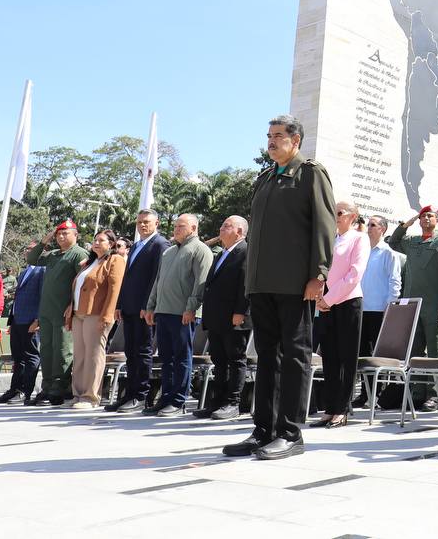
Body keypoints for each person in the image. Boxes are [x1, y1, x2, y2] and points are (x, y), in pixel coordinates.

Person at [224, 114, 335, 461]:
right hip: (262, 283)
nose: (271, 141)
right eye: (269, 136)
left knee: (294, 356)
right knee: (267, 357)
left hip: (293, 283)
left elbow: (323, 225)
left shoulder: (310, 173)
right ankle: (263, 430)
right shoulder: (266, 177)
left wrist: (319, 274)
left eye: (278, 136)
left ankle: (290, 431)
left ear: (296, 140)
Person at [389, 205, 438, 411]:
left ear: (436, 219)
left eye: (430, 216)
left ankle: (435, 395)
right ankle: (417, 392)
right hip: (413, 305)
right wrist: (405, 225)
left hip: (434, 304)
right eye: (422, 216)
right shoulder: (412, 241)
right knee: (415, 349)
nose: (426, 219)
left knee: (435, 350)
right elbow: (393, 242)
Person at [142, 214, 212, 416]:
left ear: (193, 227)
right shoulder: (169, 252)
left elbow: (201, 283)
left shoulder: (201, 251)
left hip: (183, 314)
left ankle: (179, 399)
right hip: (163, 311)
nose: (176, 229)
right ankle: (165, 399)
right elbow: (158, 281)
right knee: (166, 358)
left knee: (181, 357)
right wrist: (151, 306)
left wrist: (191, 308)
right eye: (175, 226)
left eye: (181, 226)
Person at [311, 201, 367, 428]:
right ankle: (330, 407)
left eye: (340, 213)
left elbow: (355, 274)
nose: (335, 216)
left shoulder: (359, 238)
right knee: (330, 357)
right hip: (326, 303)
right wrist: (319, 298)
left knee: (346, 357)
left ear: (352, 216)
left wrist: (329, 298)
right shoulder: (330, 238)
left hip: (348, 301)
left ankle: (342, 409)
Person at [107, 209, 167, 412]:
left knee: (142, 352)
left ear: (156, 223)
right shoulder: (136, 246)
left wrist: (147, 306)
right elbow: (127, 279)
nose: (142, 225)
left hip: (144, 309)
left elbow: (155, 279)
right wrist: (120, 305)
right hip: (129, 308)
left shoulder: (159, 244)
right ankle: (130, 394)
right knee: (130, 351)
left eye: (147, 222)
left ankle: (141, 395)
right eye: (140, 221)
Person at [194, 216, 250, 421]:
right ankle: (216, 402)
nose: (221, 228)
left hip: (233, 317)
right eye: (222, 224)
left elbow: (245, 284)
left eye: (227, 226)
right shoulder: (221, 254)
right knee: (219, 361)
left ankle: (233, 402)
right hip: (217, 316)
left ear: (240, 232)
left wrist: (240, 311)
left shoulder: (245, 251)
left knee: (235, 360)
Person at [26, 221, 89, 405]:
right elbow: (31, 260)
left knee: (62, 351)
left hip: (64, 310)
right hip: (46, 310)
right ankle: (47, 387)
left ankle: (59, 389)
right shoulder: (53, 254)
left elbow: (83, 283)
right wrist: (44, 241)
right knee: (46, 349)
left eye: (65, 234)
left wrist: (73, 304)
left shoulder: (79, 254)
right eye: (58, 234)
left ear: (75, 235)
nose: (61, 237)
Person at [66, 229, 127, 408]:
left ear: (111, 244)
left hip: (97, 314)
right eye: (95, 240)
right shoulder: (90, 262)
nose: (97, 243)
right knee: (80, 355)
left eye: (102, 240)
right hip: (79, 313)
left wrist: (107, 315)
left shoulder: (114, 260)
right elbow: (79, 287)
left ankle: (91, 397)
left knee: (94, 355)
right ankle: (77, 395)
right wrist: (71, 307)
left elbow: (114, 290)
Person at [0, 262, 44, 404]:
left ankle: (26, 391)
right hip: (18, 320)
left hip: (30, 321)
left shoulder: (42, 270)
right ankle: (15, 389)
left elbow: (43, 296)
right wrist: (12, 321)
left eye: (31, 250)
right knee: (18, 357)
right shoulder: (25, 271)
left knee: (31, 356)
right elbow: (18, 298)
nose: (28, 253)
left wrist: (38, 319)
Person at [357, 215, 403, 361]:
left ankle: (376, 384)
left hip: (378, 310)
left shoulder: (389, 253)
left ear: (382, 229)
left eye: (372, 225)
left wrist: (390, 307)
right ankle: (363, 384)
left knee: (375, 354)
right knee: (361, 353)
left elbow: (395, 281)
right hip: (361, 308)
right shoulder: (363, 251)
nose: (368, 228)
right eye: (368, 225)